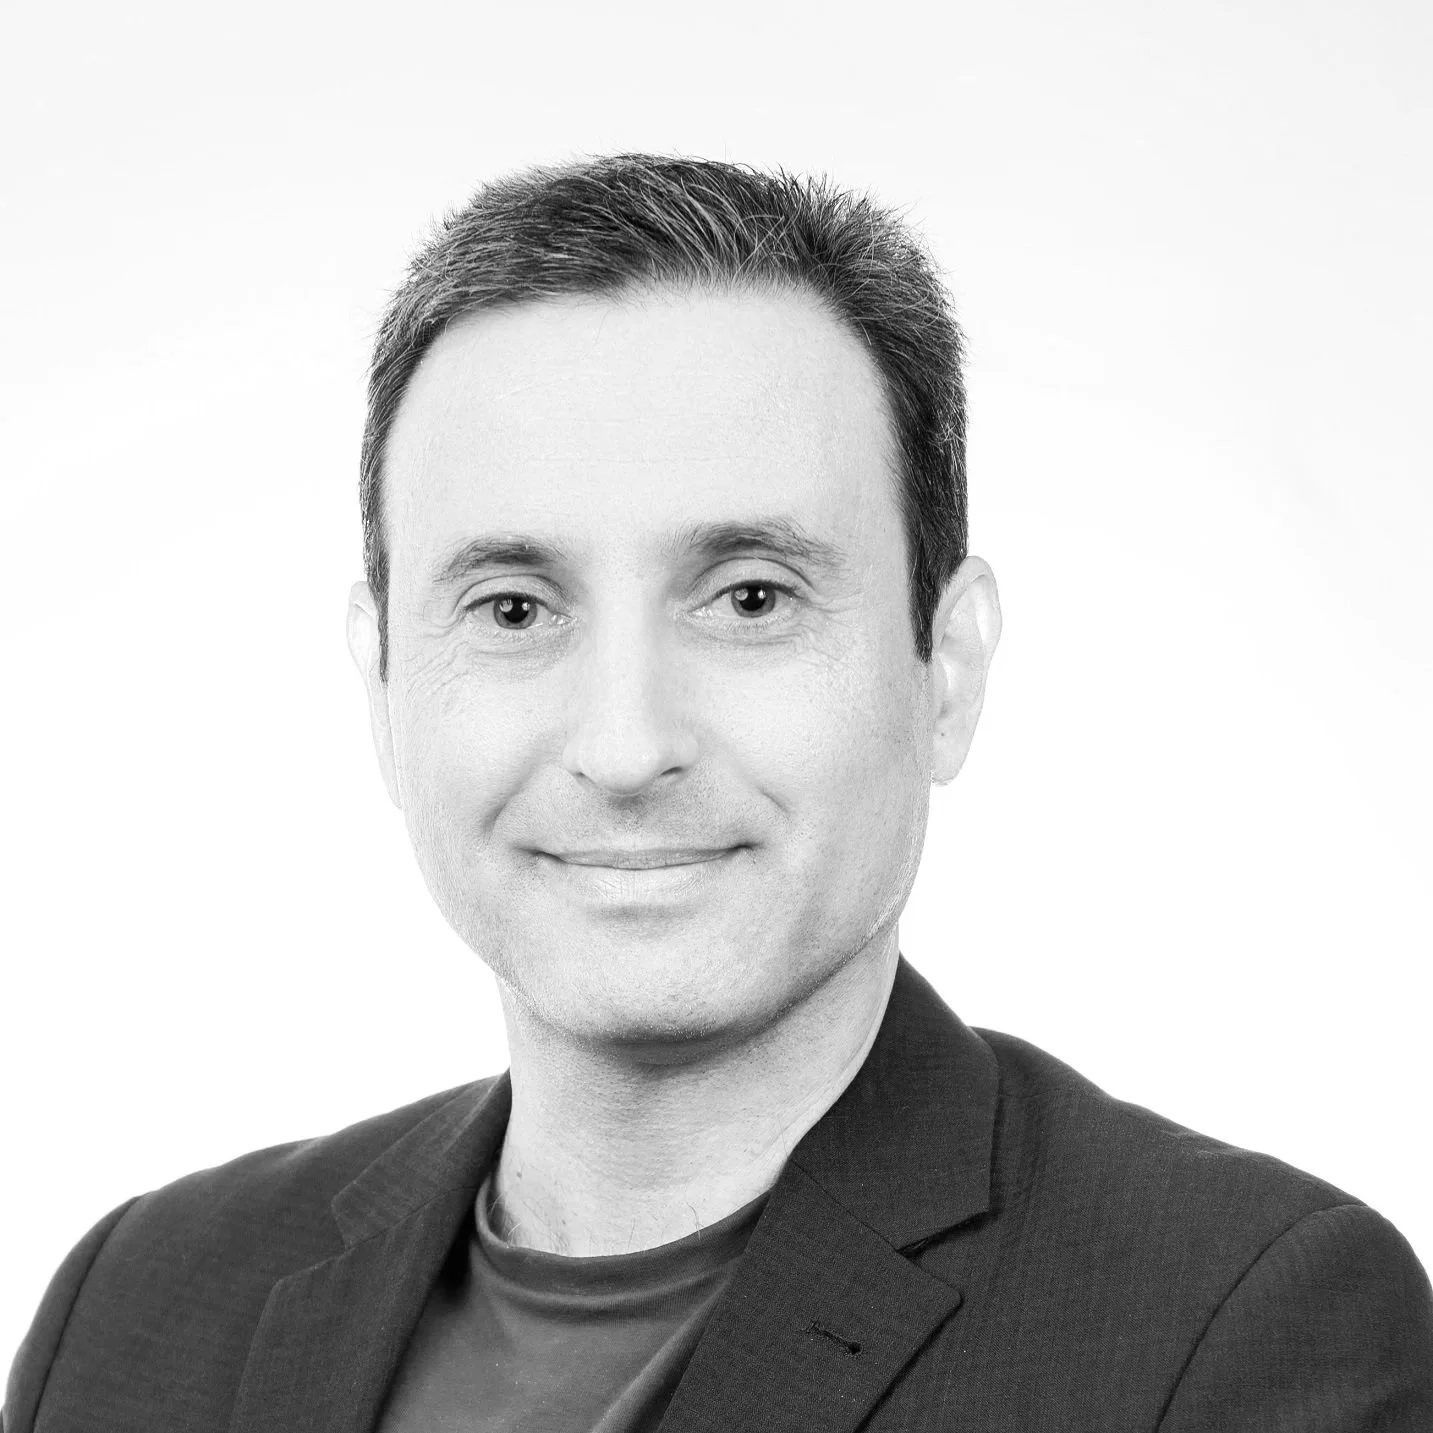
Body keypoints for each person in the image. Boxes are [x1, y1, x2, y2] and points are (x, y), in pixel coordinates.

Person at [6, 153, 1430, 1433]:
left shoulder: (1238, 1334)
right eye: (512, 608)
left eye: (750, 597)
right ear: (383, 685)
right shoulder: (133, 1314)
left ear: (945, 663)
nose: (626, 745)